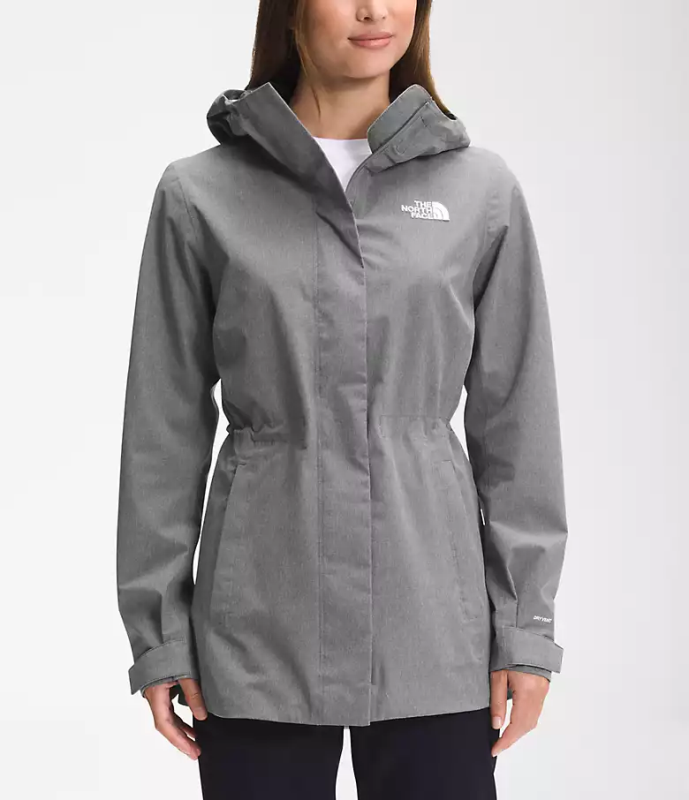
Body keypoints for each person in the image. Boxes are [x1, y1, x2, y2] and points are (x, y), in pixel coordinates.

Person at [115, 0, 569, 797]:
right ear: (289, 11)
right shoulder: (200, 193)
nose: (373, 9)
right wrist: (159, 636)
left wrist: (525, 629)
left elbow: (517, 424)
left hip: (433, 625)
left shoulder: (479, 190)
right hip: (259, 626)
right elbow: (162, 428)